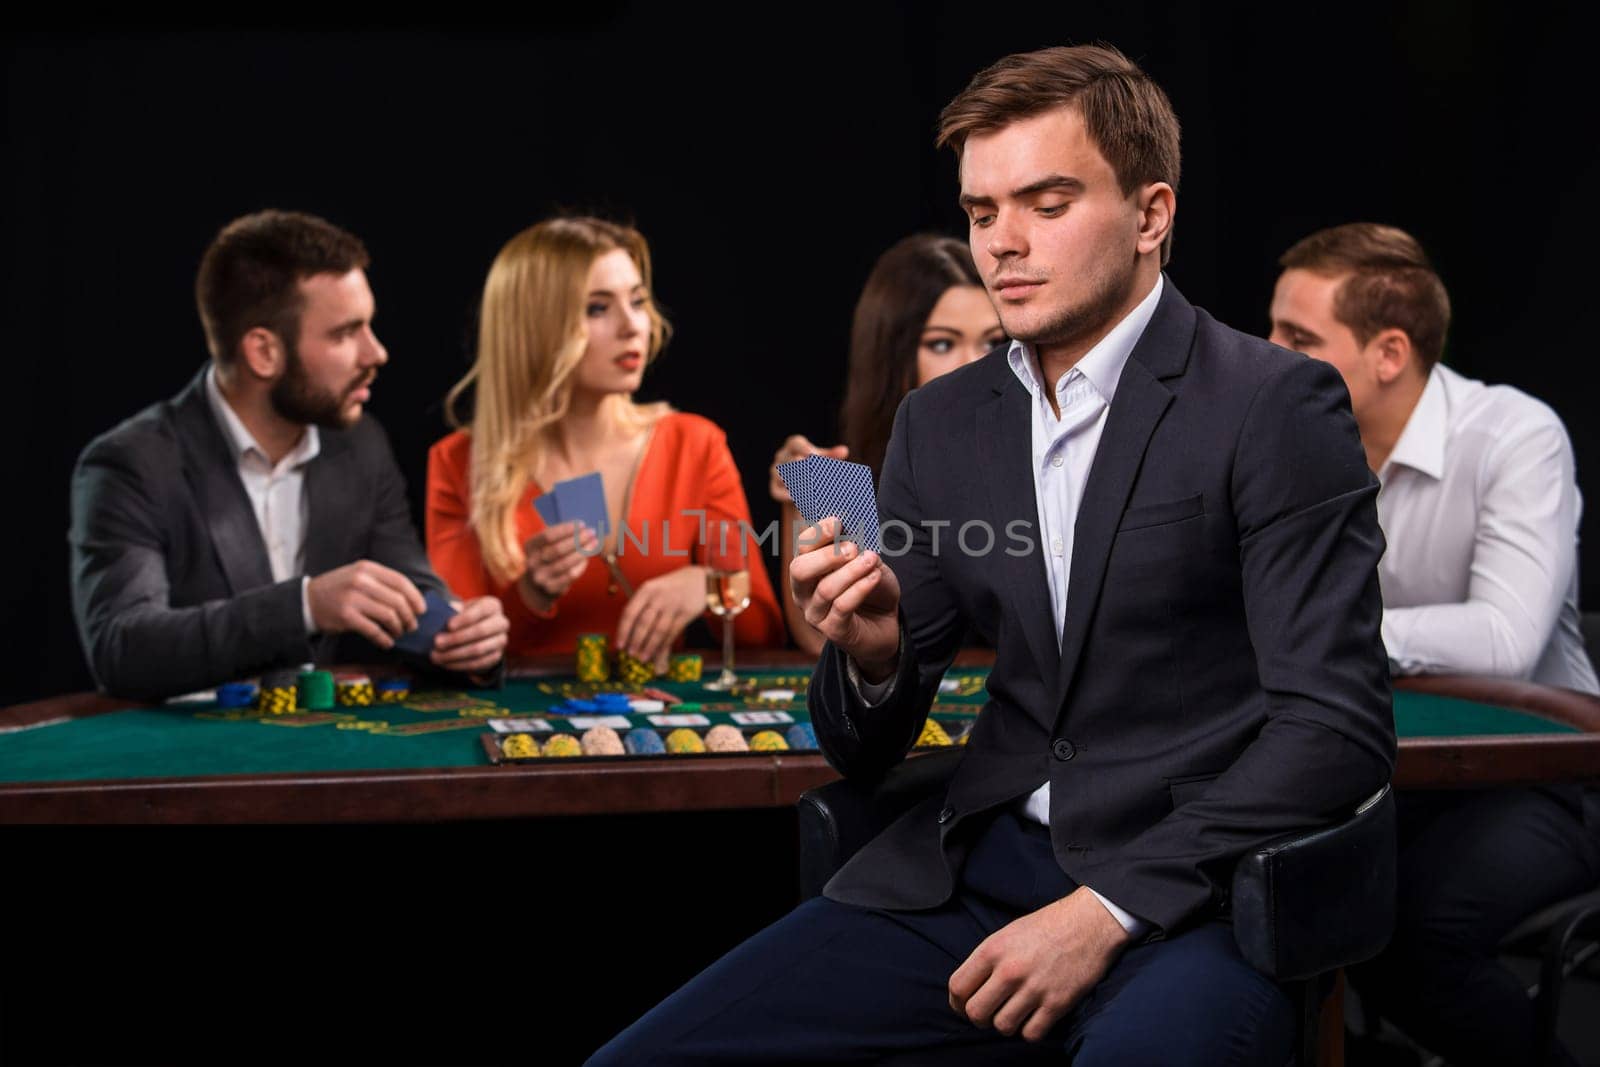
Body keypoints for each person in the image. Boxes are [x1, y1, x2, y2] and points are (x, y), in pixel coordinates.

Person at [591, 44, 1393, 1065]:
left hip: (1196, 897)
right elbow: (862, 745)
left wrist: (1106, 907)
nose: (1002, 244)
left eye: (1047, 204)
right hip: (973, 877)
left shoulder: (1274, 402)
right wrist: (875, 652)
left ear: (1151, 215)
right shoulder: (939, 422)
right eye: (981, 212)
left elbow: (1336, 728)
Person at [1270, 222, 1600, 1066]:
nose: (1269, 353)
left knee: (1416, 931)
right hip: (1382, 771)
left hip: (1549, 776)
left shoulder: (1514, 434)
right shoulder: (1290, 443)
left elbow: (1502, 641)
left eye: (1297, 337)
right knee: (1284, 905)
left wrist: (1330, 636)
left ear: (1389, 352)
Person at [69, 210, 509, 701]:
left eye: (370, 327)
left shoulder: (362, 446)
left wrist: (463, 634)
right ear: (263, 353)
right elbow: (123, 649)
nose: (376, 353)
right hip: (189, 764)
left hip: (324, 751)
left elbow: (414, 602)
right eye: (345, 333)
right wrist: (304, 606)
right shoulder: (131, 463)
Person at [426, 216, 784, 667]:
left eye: (637, 301)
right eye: (597, 308)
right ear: (532, 327)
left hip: (651, 725)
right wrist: (530, 595)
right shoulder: (458, 462)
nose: (632, 325)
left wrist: (708, 582)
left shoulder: (694, 444)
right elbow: (453, 649)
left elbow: (763, 639)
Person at [769, 234, 1006, 655]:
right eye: (942, 344)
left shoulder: (1041, 448)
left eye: (991, 342)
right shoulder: (843, 473)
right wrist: (799, 499)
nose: (975, 364)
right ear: (891, 356)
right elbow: (826, 640)